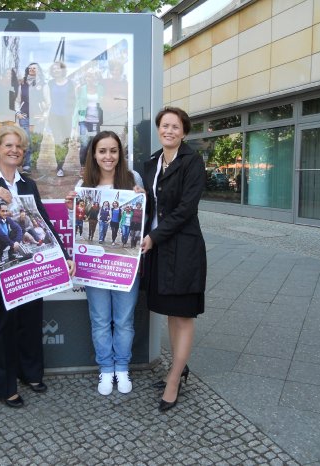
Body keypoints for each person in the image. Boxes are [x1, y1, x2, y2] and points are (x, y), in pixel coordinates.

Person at [0, 125, 75, 408]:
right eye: (9, 145)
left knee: (30, 320)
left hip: (30, 265)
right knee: (3, 326)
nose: (14, 150)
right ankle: (3, 386)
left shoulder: (27, 184)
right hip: (1, 266)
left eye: (20, 147)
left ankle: (30, 373)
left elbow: (43, 224)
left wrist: (63, 255)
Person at [64, 130, 145, 395]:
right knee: (100, 320)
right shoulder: (83, 186)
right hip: (95, 267)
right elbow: (78, 227)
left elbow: (144, 220)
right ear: (94, 155)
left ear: (120, 153)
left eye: (113, 150)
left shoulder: (133, 179)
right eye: (102, 151)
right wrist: (71, 209)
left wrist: (142, 199)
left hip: (124, 266)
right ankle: (105, 369)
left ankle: (122, 367)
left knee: (123, 320)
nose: (108, 156)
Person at [140, 107, 207, 412]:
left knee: (183, 314)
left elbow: (185, 209)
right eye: (164, 126)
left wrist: (153, 237)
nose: (169, 131)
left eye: (175, 127)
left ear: (184, 131)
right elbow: (147, 204)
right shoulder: (152, 162)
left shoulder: (192, 161)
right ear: (159, 129)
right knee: (169, 311)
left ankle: (173, 378)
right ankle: (179, 369)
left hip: (183, 247)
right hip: (159, 248)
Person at [15, 63, 50, 174]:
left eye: (34, 68)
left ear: (38, 70)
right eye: (30, 68)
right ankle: (27, 165)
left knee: (36, 141)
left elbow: (49, 103)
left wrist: (44, 116)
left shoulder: (44, 85)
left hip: (38, 118)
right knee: (27, 141)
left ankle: (33, 161)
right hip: (24, 116)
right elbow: (17, 101)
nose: (31, 70)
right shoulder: (23, 85)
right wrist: (18, 113)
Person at [47, 61, 76, 177]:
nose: (56, 70)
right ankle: (60, 167)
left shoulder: (70, 84)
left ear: (62, 70)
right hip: (54, 116)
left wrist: (73, 114)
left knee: (65, 142)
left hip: (67, 117)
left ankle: (61, 163)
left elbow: (74, 100)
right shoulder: (50, 83)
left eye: (58, 68)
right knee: (58, 141)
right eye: (53, 69)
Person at [74, 68, 104, 176]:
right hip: (84, 121)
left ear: (95, 77)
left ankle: (93, 167)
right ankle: (83, 167)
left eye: (92, 76)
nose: (90, 78)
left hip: (96, 121)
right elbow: (77, 105)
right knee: (85, 144)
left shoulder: (100, 88)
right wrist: (74, 123)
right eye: (88, 76)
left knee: (94, 144)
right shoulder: (81, 89)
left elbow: (104, 102)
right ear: (85, 78)